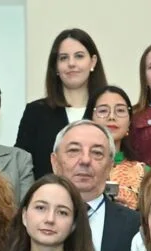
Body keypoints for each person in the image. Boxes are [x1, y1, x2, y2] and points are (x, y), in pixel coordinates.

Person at [50, 117, 146, 251]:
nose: (85, 160)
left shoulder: (135, 226)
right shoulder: (33, 220)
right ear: (55, 162)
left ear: (110, 166)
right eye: (74, 151)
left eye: (97, 153)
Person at [15, 28, 106, 183]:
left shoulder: (107, 110)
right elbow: (21, 169)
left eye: (79, 56)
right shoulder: (36, 112)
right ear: (56, 66)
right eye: (63, 58)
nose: (71, 63)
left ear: (93, 61)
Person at [3, 174, 104, 251]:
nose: (50, 219)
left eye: (62, 212)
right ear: (24, 216)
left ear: (74, 224)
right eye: (40, 208)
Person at [93, 85, 151, 210]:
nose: (111, 117)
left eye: (120, 110)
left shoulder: (145, 173)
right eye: (103, 111)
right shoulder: (78, 167)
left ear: (129, 122)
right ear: (90, 119)